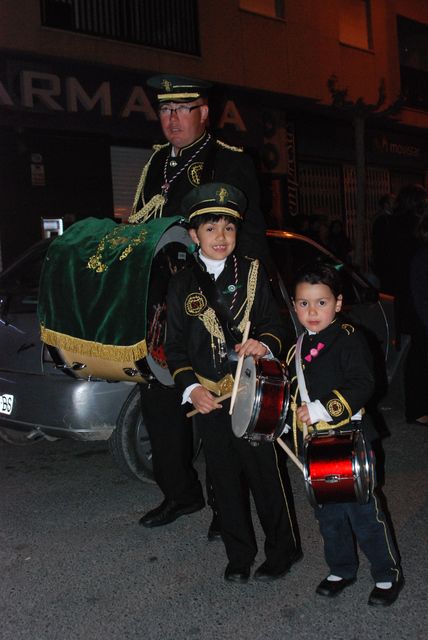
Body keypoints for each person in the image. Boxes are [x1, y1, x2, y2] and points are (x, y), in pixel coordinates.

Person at [130, 75, 269, 535]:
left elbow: (248, 238)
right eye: (165, 110)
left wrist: (244, 303)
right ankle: (180, 493)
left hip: (214, 302)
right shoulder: (155, 162)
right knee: (161, 398)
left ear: (203, 113)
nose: (172, 119)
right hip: (160, 306)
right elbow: (141, 230)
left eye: (182, 109)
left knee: (222, 408)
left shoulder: (228, 161)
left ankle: (224, 506)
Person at [165, 182, 301, 583]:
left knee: (266, 477)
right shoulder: (180, 284)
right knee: (224, 481)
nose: (221, 237)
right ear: (194, 235)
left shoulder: (255, 273)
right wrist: (193, 389)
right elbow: (174, 348)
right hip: (212, 399)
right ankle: (239, 554)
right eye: (211, 229)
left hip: (252, 394)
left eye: (228, 228)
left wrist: (263, 343)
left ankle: (283, 549)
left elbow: (277, 328)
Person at [285, 261, 403, 606]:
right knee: (329, 515)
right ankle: (342, 568)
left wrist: (322, 409)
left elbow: (363, 384)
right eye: (304, 303)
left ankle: (386, 574)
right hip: (316, 445)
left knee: (364, 512)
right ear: (294, 306)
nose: (312, 311)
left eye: (321, 302)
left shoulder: (350, 338)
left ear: (337, 303)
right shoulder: (297, 347)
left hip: (349, 438)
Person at [392, 184, 428, 424]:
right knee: (419, 356)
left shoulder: (395, 225)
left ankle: (418, 409)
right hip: (415, 302)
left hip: (406, 297)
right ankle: (417, 410)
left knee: (418, 355)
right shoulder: (406, 230)